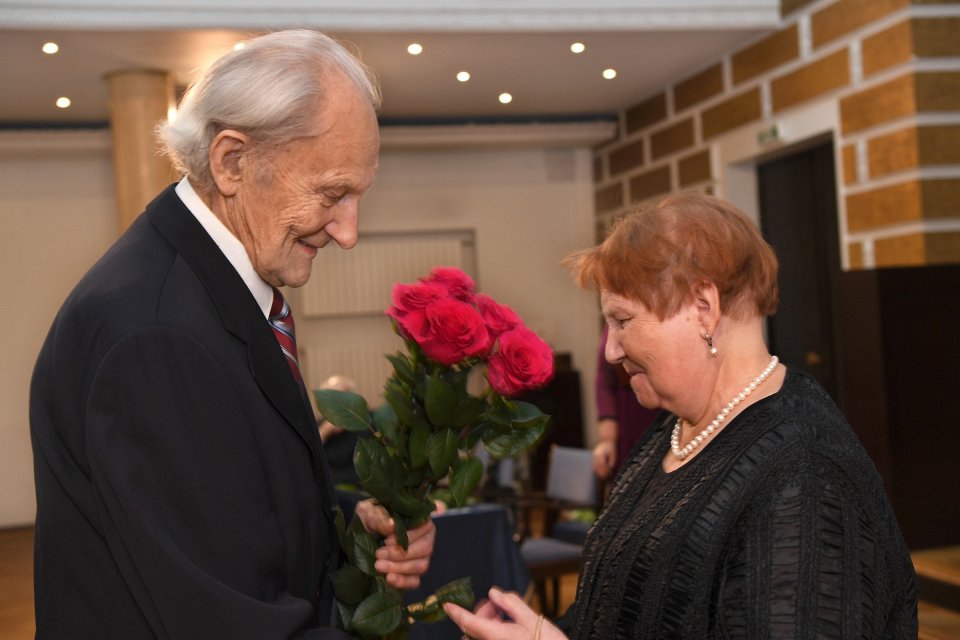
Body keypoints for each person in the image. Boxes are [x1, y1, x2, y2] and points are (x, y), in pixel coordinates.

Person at [30, 30, 435, 639]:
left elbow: (230, 503)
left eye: (358, 196)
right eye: (331, 193)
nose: (349, 233)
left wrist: (357, 523)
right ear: (232, 162)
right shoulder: (157, 336)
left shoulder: (202, 286)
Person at [444, 192, 917, 639]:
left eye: (623, 320)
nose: (610, 350)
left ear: (703, 308)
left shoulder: (806, 477)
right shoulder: (673, 431)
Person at [591, 325, 659, 482]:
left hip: (661, 414)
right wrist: (607, 440)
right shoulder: (614, 324)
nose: (612, 353)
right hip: (628, 416)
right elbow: (605, 382)